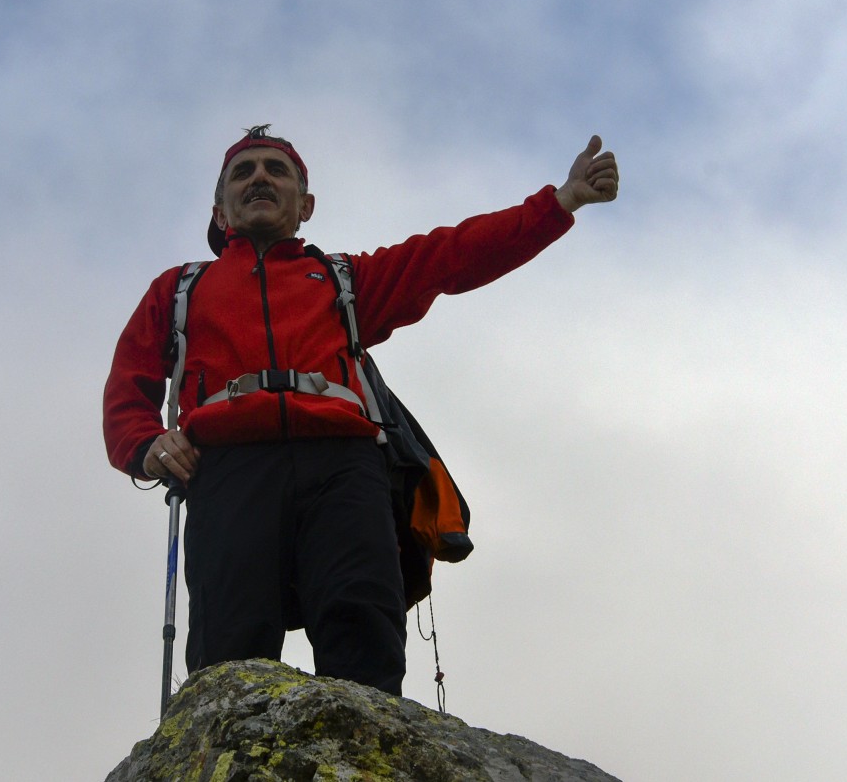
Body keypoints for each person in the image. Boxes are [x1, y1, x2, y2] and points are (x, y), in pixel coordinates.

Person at [103, 125, 618, 696]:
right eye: (243, 172)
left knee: (363, 628)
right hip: (227, 469)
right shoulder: (178, 289)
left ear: (306, 204)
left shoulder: (345, 279)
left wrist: (561, 202)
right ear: (220, 210)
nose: (259, 179)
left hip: (343, 465)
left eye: (276, 170)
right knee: (229, 649)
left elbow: (451, 255)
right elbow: (129, 383)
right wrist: (146, 443)